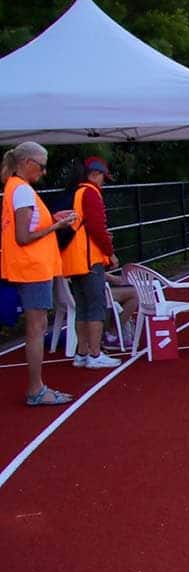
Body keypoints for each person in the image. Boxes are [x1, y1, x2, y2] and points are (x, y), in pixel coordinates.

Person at [2, 143, 77, 406]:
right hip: (32, 268)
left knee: (38, 327)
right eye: (42, 166)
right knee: (36, 329)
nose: (44, 172)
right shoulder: (22, 190)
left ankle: (37, 387)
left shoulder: (16, 187)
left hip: (30, 267)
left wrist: (52, 219)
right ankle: (35, 389)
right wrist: (55, 226)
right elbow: (23, 237)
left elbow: (28, 227)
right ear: (27, 163)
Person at [60, 157, 122, 368]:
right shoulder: (91, 193)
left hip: (74, 258)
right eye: (103, 177)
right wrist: (110, 252)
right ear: (95, 175)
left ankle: (82, 352)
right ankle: (95, 354)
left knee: (83, 307)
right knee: (96, 306)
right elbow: (97, 227)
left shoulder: (76, 192)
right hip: (89, 258)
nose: (104, 182)